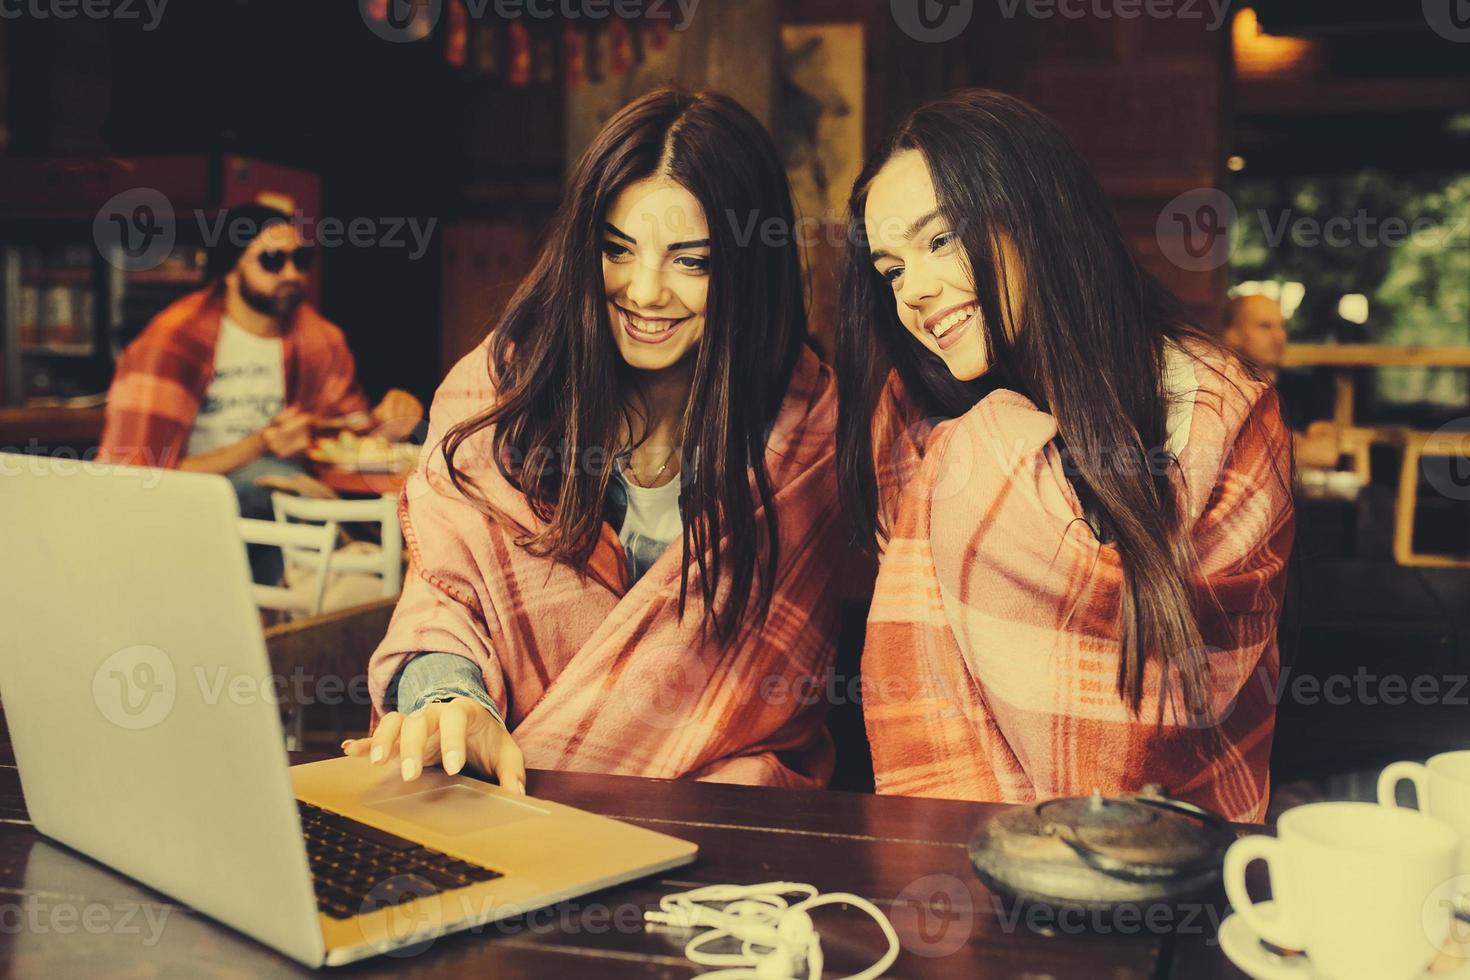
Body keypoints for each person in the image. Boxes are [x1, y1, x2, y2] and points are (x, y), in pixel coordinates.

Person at [347, 88, 845, 794]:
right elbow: (444, 596)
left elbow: (774, 696)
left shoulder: (807, 431)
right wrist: (450, 700)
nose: (644, 292)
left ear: (747, 268)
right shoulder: (501, 397)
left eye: (691, 262)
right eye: (617, 250)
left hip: (725, 824)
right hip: (506, 801)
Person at [836, 90, 1294, 822]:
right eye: (891, 270)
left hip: (1176, 866)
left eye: (942, 239)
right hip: (954, 866)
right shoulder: (915, 428)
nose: (915, 290)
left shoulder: (1215, 417)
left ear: (1037, 217)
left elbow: (1177, 714)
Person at [98, 204, 423, 575]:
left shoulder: (319, 340)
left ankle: (343, 581)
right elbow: (137, 473)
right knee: (268, 489)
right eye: (272, 261)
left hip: (290, 498)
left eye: (301, 259)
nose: (291, 273)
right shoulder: (173, 342)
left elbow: (345, 437)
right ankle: (349, 573)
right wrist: (258, 446)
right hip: (190, 503)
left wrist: (386, 421)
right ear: (231, 273)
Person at [1222, 293, 1287, 383]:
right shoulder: (1219, 387)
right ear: (1232, 334)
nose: (1279, 337)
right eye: (1265, 326)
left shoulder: (1305, 388)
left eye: (1282, 326)